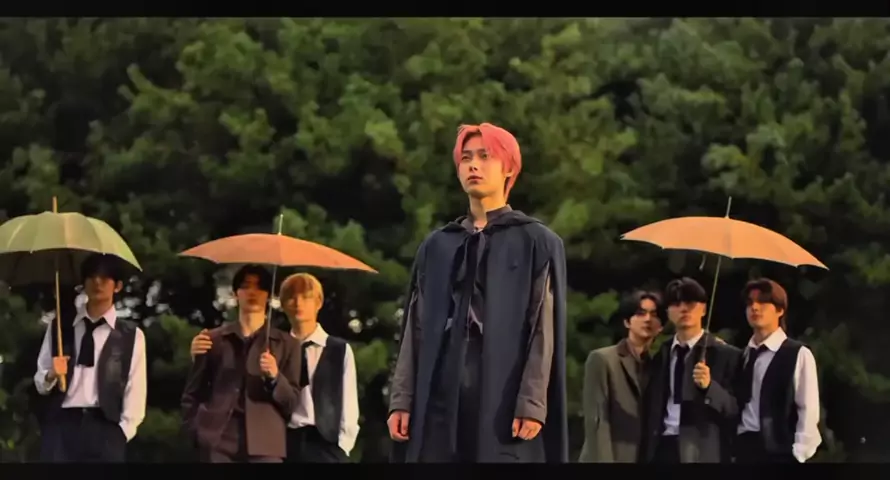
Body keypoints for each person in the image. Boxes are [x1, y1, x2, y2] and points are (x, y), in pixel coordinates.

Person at [387, 123, 569, 463]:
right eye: (466, 158)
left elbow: (542, 328)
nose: (473, 165)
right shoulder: (438, 246)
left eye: (485, 157)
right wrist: (402, 399)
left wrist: (531, 402)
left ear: (509, 168)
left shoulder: (536, 242)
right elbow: (415, 327)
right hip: (440, 387)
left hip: (503, 388)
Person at [189, 272, 360, 463]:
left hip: (325, 441)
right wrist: (198, 353)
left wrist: (344, 445)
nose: (298, 303)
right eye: (291, 298)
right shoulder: (275, 344)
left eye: (306, 297)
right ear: (282, 304)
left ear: (318, 302)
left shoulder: (338, 349)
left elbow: (349, 401)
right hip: (283, 438)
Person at [180, 264, 302, 463]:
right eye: (246, 286)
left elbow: (292, 403)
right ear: (236, 293)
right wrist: (195, 429)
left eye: (259, 287)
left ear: (268, 295)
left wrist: (275, 377)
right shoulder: (213, 339)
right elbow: (192, 392)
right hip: (217, 441)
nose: (252, 292)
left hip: (266, 444)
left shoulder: (288, 344)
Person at [34, 253, 147, 462]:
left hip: (105, 429)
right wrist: (52, 375)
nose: (97, 282)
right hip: (62, 428)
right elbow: (40, 382)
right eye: (91, 277)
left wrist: (121, 434)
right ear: (83, 283)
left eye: (104, 277)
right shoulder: (60, 327)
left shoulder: (131, 336)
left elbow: (136, 391)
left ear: (117, 286)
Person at [641, 277, 741, 463]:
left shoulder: (725, 354)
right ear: (668, 312)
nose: (684, 309)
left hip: (703, 450)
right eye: (676, 304)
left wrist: (710, 387)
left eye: (690, 303)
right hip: (663, 446)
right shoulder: (662, 354)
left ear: (703, 309)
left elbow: (735, 409)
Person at [734, 278, 821, 463]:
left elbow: (808, 408)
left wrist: (799, 453)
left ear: (780, 310)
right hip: (744, 447)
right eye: (750, 303)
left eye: (763, 302)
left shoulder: (797, 353)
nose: (754, 307)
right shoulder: (744, 355)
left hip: (779, 450)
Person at [579, 290, 664, 463]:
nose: (648, 319)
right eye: (640, 313)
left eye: (654, 315)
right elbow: (597, 422)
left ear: (661, 326)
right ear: (627, 321)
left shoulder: (658, 366)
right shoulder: (602, 359)